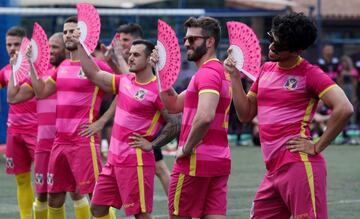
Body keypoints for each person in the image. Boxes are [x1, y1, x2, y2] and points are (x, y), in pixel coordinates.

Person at [224, 12, 353, 219]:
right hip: (273, 170)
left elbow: (344, 108)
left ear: (297, 49)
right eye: (271, 38)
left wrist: (317, 146)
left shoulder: (310, 73)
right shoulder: (265, 69)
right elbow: (246, 113)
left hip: (299, 166)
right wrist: (234, 76)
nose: (272, 46)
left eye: (278, 44)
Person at [75, 34, 179, 218]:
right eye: (130, 53)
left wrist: (152, 145)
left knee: (140, 214)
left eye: (136, 55)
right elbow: (94, 74)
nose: (130, 57)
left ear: (149, 59)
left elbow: (175, 122)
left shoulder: (159, 90)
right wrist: (80, 45)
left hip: (135, 163)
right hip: (114, 161)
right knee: (97, 208)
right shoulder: (125, 80)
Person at [28, 16, 113, 219]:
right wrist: (30, 63)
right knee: (54, 198)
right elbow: (40, 92)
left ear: (84, 34)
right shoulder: (62, 66)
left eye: (72, 31)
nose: (68, 35)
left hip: (84, 141)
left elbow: (124, 91)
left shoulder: (97, 66)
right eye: (65, 32)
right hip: (60, 141)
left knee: (97, 198)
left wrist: (101, 121)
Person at [151, 16, 232, 219]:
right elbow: (174, 104)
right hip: (218, 159)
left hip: (195, 160)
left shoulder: (207, 74)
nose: (186, 43)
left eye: (193, 39)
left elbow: (205, 116)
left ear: (210, 41)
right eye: (186, 38)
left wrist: (186, 149)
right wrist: (159, 71)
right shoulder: (216, 72)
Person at [8, 32, 91, 219]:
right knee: (44, 195)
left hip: (71, 142)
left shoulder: (78, 71)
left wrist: (100, 122)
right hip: (45, 145)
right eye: (49, 47)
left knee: (78, 192)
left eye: (55, 47)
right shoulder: (42, 76)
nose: (50, 51)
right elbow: (13, 97)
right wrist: (16, 68)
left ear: (66, 49)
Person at [0, 26, 36, 219]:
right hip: (14, 132)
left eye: (16, 44)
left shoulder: (39, 68)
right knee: (22, 179)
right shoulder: (5, 72)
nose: (12, 48)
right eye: (8, 44)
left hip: (38, 132)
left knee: (45, 184)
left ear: (25, 44)